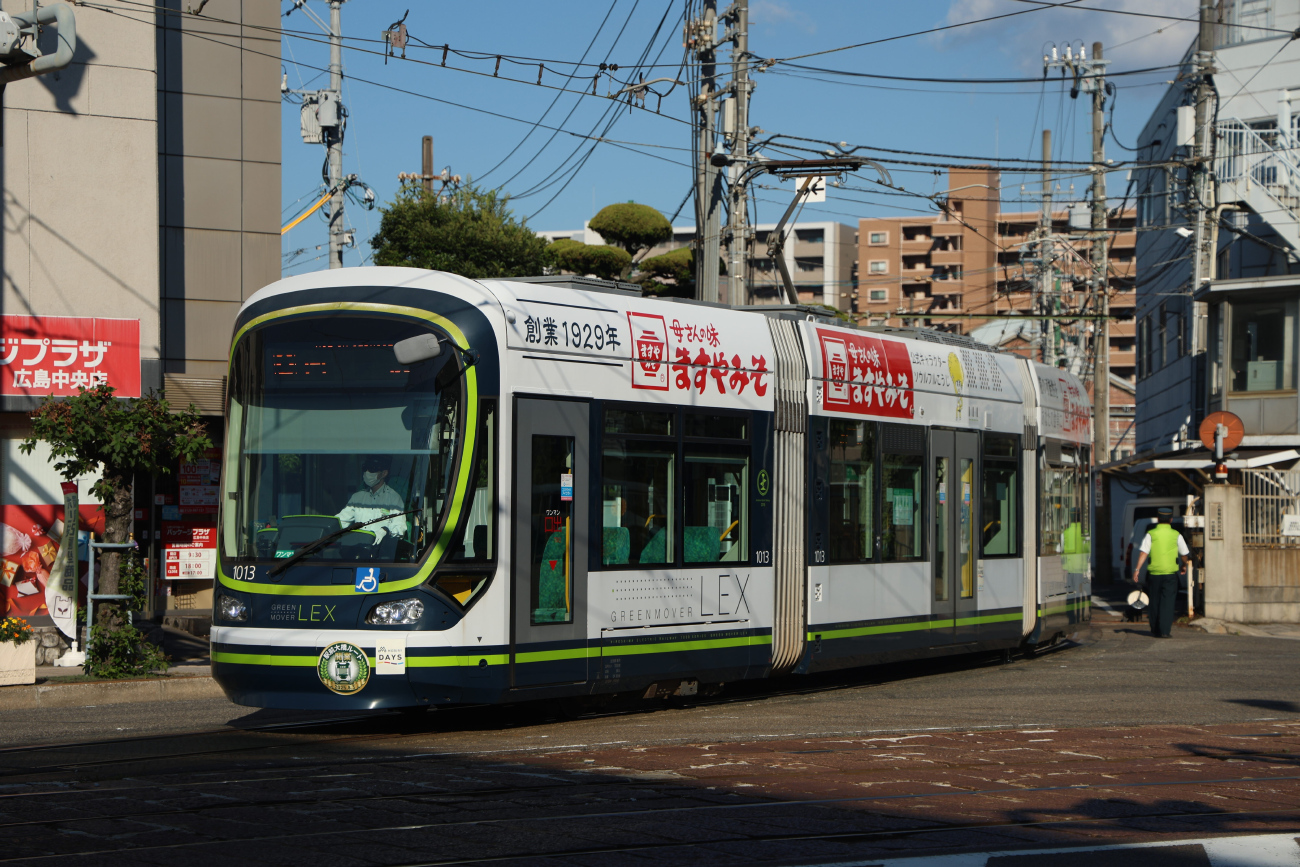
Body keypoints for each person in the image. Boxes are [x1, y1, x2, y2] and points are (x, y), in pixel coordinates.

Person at [1130, 507, 1189, 638]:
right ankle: (1164, 631)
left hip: (1154, 574)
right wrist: (1184, 565)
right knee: (1167, 602)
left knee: (1155, 600)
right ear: (1171, 520)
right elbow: (1184, 553)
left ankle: (1155, 629)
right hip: (1170, 574)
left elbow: (1143, 552)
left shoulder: (1151, 534)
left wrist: (1137, 569)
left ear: (1157, 519)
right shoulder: (1176, 534)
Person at [336, 456, 408, 547]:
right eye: (365, 469)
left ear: (384, 473)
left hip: (380, 553)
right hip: (356, 551)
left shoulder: (394, 499)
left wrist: (386, 530)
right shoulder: (357, 498)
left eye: (372, 469)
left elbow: (400, 528)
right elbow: (340, 521)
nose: (367, 473)